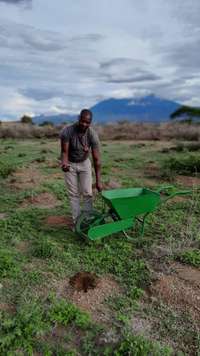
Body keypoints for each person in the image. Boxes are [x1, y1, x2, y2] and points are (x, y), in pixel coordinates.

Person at [59, 109, 102, 229]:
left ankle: (88, 221)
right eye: (82, 121)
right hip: (70, 164)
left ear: (90, 122)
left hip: (84, 163)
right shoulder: (67, 131)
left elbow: (97, 159)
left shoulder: (92, 134)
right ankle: (77, 223)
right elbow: (64, 152)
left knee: (87, 192)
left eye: (87, 122)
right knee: (73, 194)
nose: (84, 124)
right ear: (79, 119)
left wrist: (98, 181)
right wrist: (64, 163)